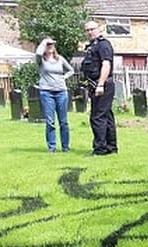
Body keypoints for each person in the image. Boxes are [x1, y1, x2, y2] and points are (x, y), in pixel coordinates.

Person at [81, 21, 117, 156]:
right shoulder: (92, 46)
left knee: (97, 117)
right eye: (87, 30)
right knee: (106, 116)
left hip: (102, 84)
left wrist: (101, 84)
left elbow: (106, 64)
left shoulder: (103, 45)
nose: (90, 32)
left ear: (99, 29)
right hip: (95, 83)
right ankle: (111, 147)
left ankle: (100, 149)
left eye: (92, 29)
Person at [35, 37, 73, 153]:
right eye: (48, 45)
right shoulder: (41, 60)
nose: (50, 46)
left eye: (52, 44)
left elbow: (71, 70)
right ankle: (52, 147)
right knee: (50, 121)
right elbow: (37, 53)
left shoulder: (60, 59)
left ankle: (65, 147)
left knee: (63, 121)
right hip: (47, 92)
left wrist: (63, 78)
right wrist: (44, 42)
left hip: (61, 91)